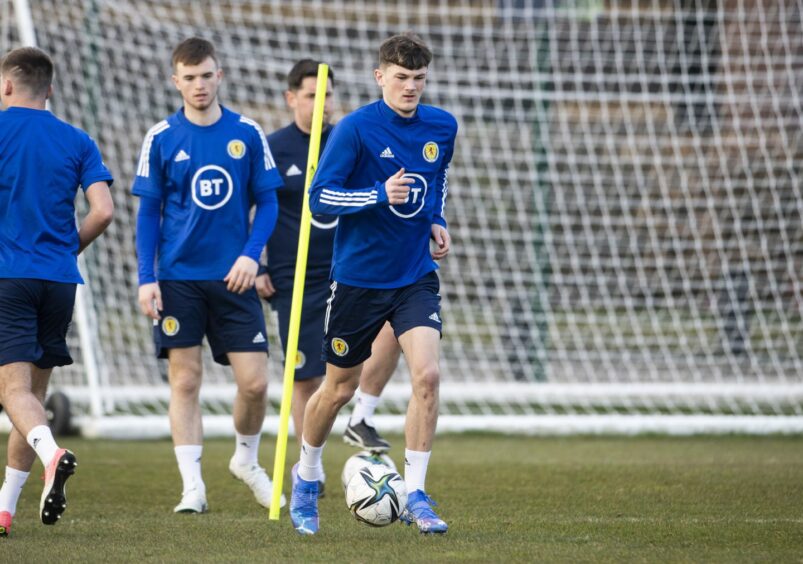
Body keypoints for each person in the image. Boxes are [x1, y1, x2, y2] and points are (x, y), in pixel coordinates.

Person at [289, 33, 457, 535]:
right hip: (359, 281)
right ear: (380, 76)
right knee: (337, 389)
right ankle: (306, 476)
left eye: (418, 79)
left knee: (427, 376)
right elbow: (320, 200)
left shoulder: (442, 126)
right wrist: (377, 194)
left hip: (414, 277)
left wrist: (435, 218)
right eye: (401, 78)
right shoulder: (355, 130)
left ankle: (418, 495)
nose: (410, 87)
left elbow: (437, 179)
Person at [133, 37, 284, 514]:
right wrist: (146, 276)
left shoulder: (248, 131)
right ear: (176, 81)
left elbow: (269, 201)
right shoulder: (160, 136)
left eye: (206, 75)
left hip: (235, 278)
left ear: (220, 76)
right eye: (190, 77)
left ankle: (245, 460)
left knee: (255, 383)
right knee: (185, 381)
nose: (199, 85)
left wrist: (250, 256)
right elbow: (148, 213)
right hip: (178, 280)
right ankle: (192, 487)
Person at [256, 60, 398, 477]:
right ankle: (309, 468)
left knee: (391, 331)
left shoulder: (349, 138)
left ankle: (361, 415)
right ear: (291, 98)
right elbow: (259, 207)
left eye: (328, 95)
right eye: (312, 95)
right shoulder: (275, 146)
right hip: (293, 275)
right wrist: (260, 261)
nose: (322, 103)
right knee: (305, 377)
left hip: (349, 268)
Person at [0, 47, 114, 537]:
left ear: (6, 86)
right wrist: (69, 251)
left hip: (8, 277)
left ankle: (52, 454)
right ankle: (5, 509)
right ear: (49, 89)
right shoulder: (77, 139)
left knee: (13, 392)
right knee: (32, 398)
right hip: (59, 280)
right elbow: (104, 210)